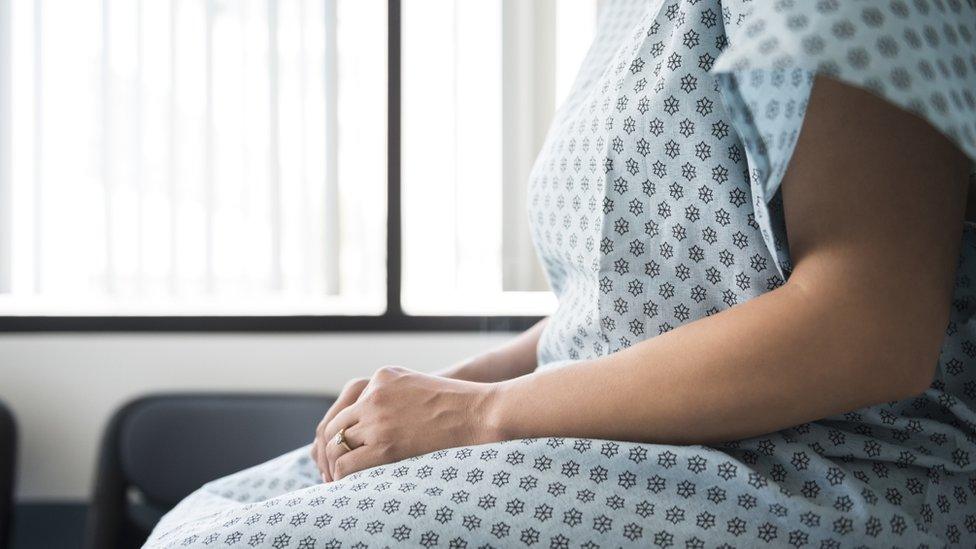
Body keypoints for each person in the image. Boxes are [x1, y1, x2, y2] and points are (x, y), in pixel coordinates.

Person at [145, 1, 976, 547]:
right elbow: (642, 297)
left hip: (818, 467)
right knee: (201, 518)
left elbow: (868, 323)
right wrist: (458, 382)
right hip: (598, 420)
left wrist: (483, 414)